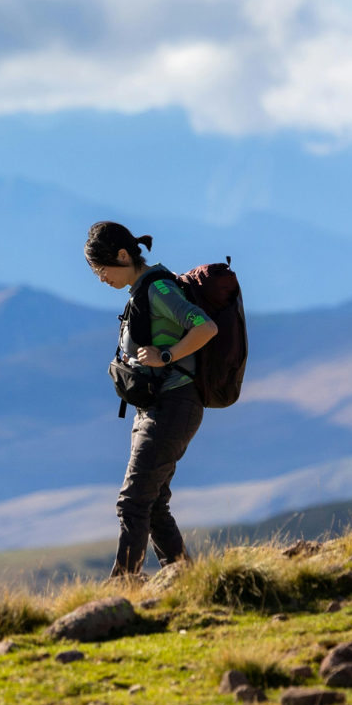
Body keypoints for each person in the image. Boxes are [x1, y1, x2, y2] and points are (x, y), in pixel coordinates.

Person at [86, 222, 218, 578]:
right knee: (154, 503)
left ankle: (123, 587)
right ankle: (184, 581)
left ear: (123, 255)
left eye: (101, 269)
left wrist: (167, 356)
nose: (100, 279)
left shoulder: (158, 288)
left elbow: (206, 327)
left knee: (132, 503)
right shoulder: (140, 290)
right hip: (156, 408)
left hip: (174, 405)